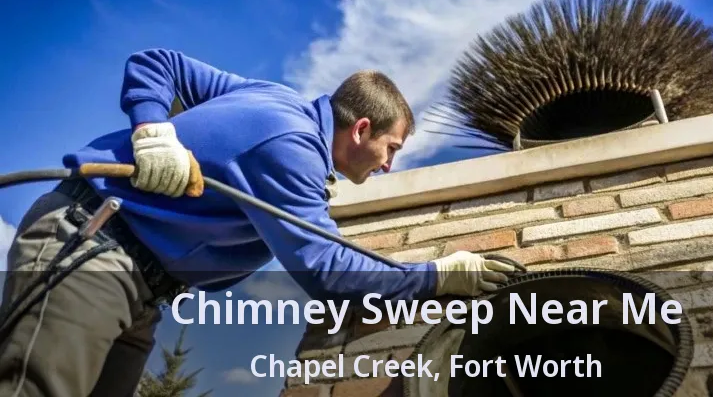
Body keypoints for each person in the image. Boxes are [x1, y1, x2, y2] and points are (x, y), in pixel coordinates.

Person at [0, 48, 516, 396]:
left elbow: (162, 64)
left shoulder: (272, 100)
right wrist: (438, 275)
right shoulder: (291, 145)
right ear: (361, 128)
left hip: (139, 286)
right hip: (92, 242)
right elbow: (328, 271)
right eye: (391, 148)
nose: (389, 165)